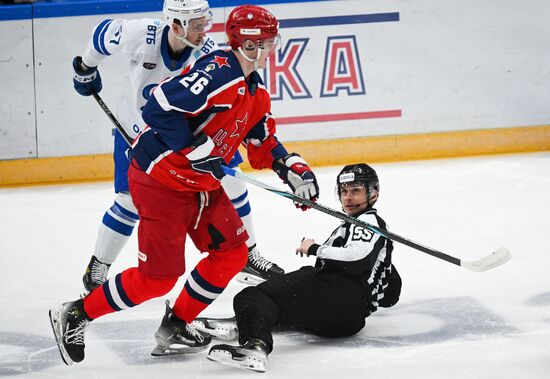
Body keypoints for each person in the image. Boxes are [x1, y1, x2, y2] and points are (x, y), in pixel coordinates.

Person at [49, 4, 319, 366]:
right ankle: (77, 312)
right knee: (158, 279)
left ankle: (176, 324)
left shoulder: (255, 89)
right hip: (159, 180)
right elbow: (157, 107)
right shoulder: (218, 72)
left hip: (200, 184)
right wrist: (196, 147)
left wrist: (293, 169)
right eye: (268, 42)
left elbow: (262, 142)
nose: (273, 48)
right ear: (251, 46)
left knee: (233, 253)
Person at [73, 0, 283, 293]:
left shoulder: (207, 52)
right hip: (139, 134)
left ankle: (248, 253)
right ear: (175, 25)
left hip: (190, 135)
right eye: (197, 25)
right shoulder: (140, 34)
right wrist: (86, 67)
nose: (204, 31)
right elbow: (101, 34)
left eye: (205, 22)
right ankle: (99, 265)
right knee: (128, 202)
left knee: (233, 182)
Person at [198, 163, 402, 373]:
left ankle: (255, 345)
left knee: (250, 296)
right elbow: (392, 292)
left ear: (373, 195)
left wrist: (315, 248)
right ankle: (247, 321)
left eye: (356, 191)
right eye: (344, 191)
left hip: (342, 300)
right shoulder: (355, 228)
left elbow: (355, 259)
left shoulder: (368, 221)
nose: (348, 197)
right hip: (347, 317)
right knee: (291, 287)